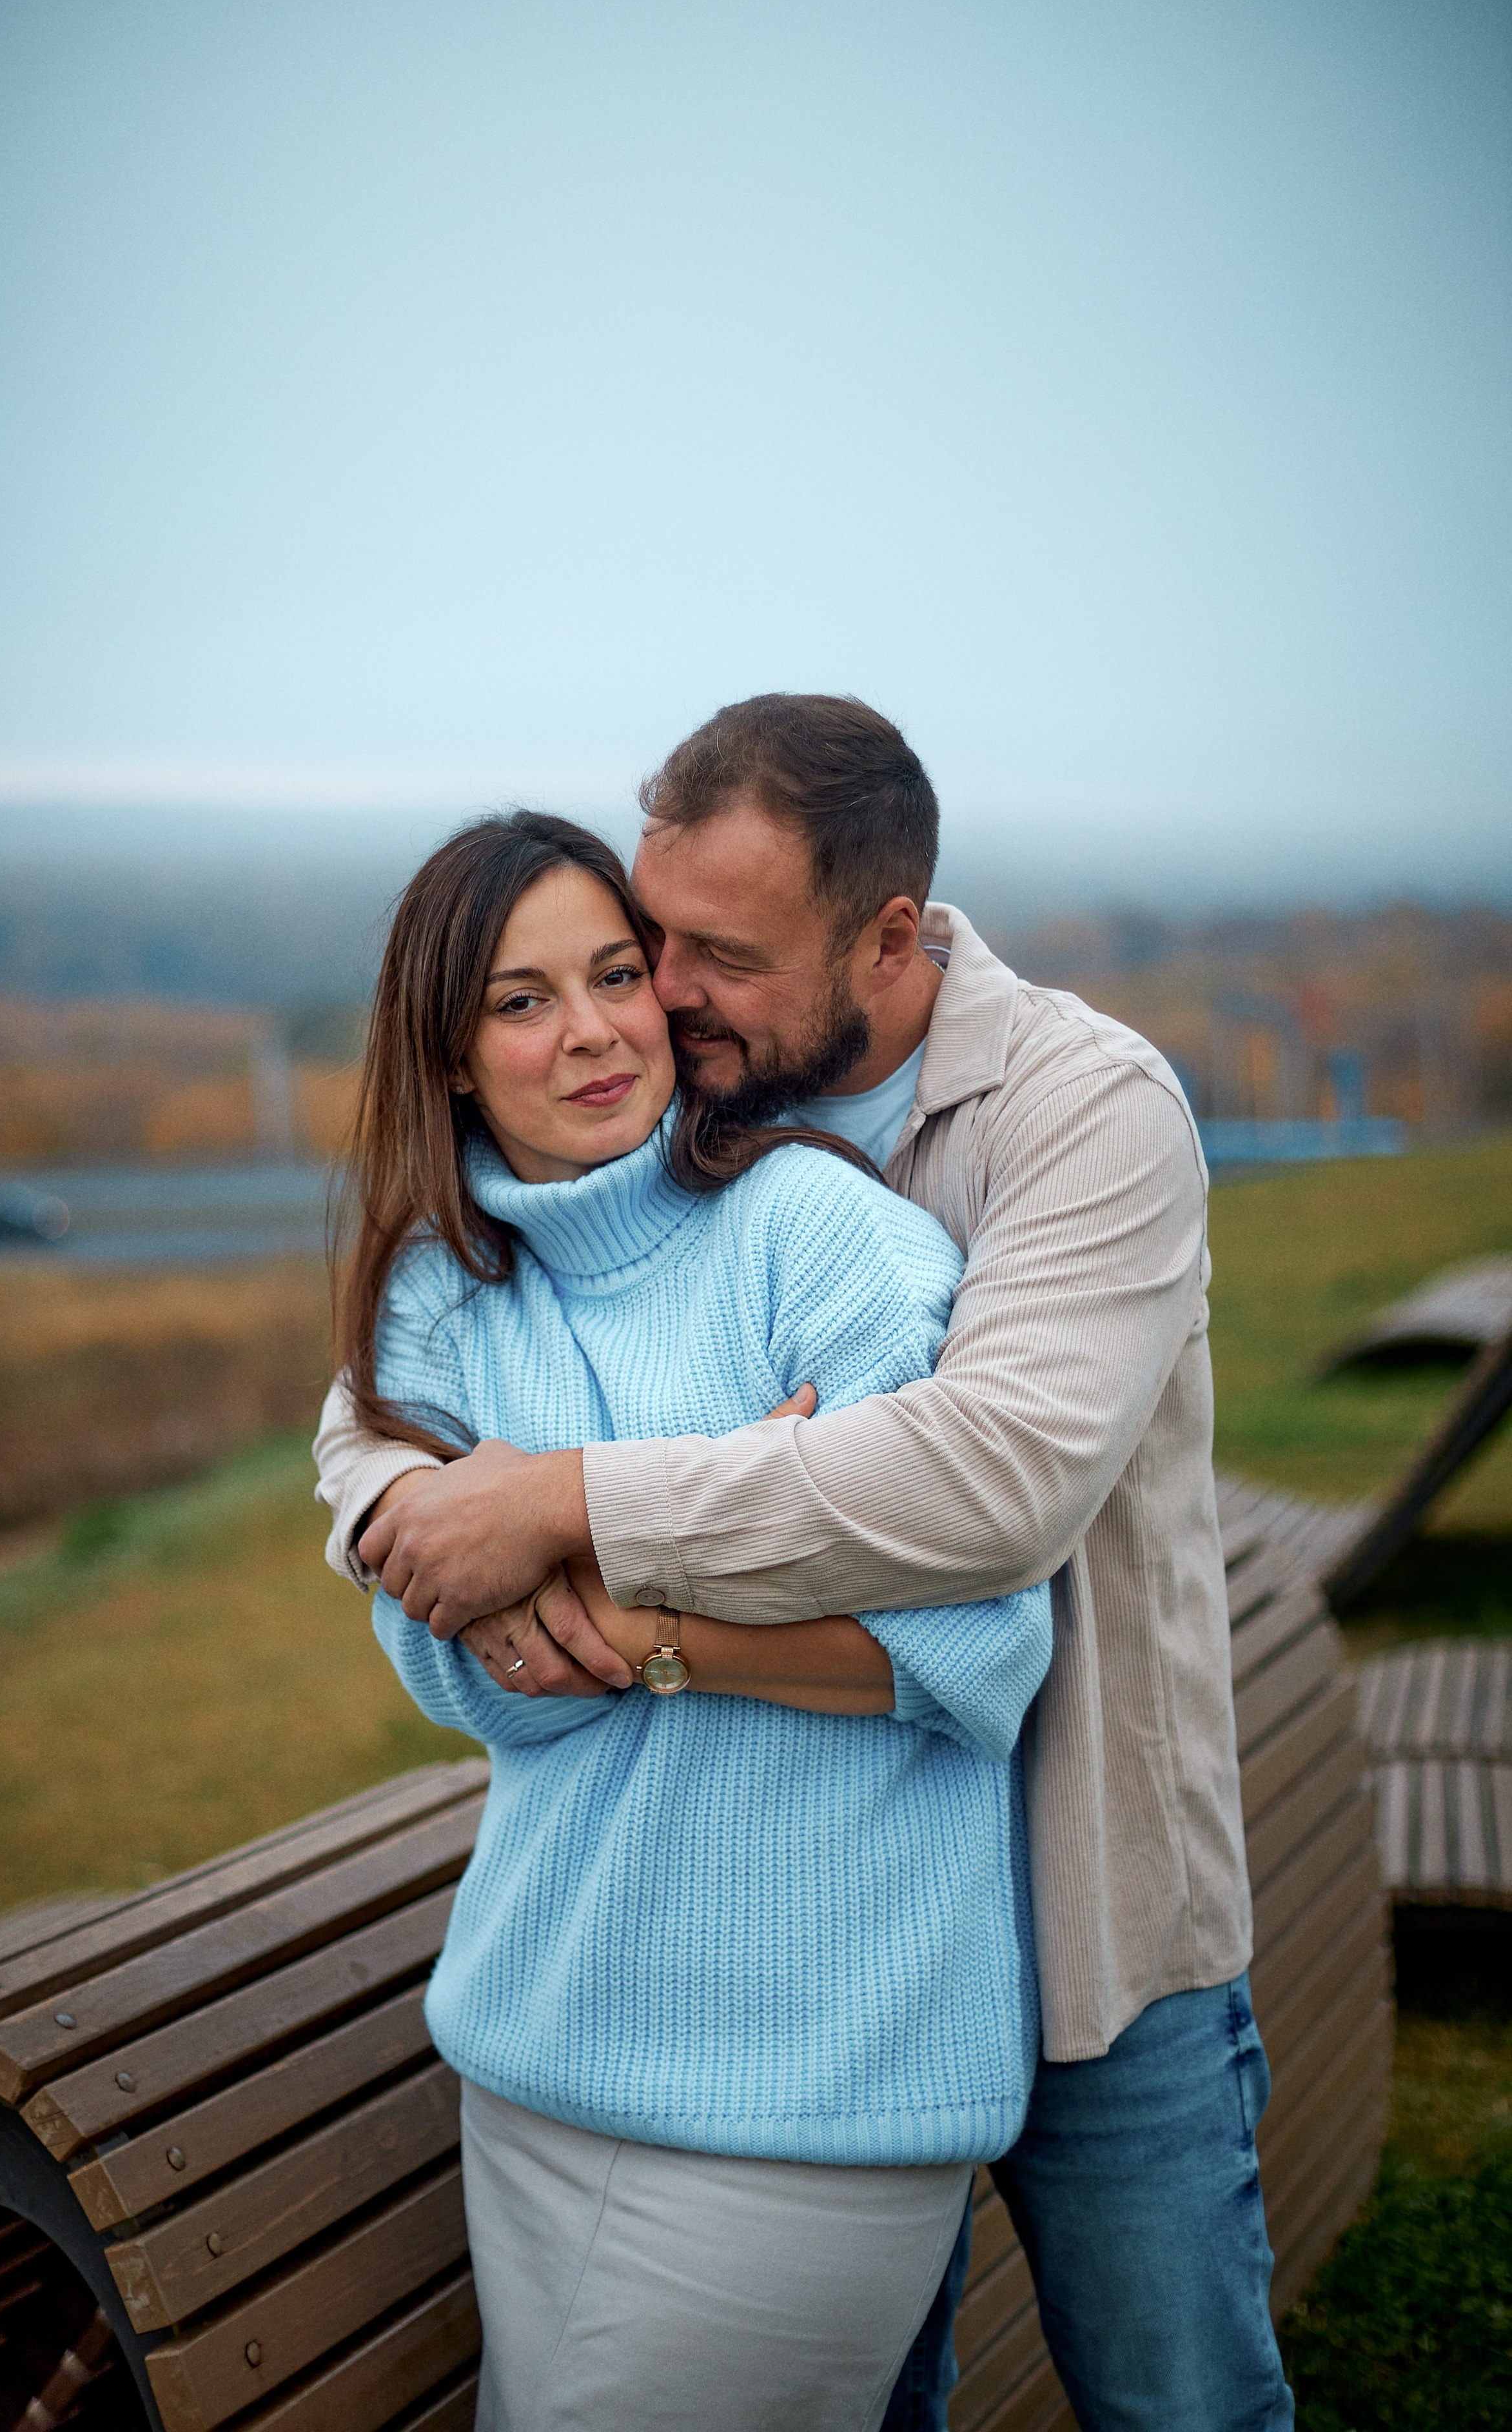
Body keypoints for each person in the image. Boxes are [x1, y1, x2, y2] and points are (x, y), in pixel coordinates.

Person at [316, 695, 1295, 2432]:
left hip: (1083, 1918)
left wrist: (567, 1511)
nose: (662, 1000)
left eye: (706, 958)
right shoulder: (694, 1115)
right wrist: (386, 1481)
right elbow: (422, 1485)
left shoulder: (1081, 1113)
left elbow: (984, 1489)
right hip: (758, 1956)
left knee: (1179, 2404)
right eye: (647, 941)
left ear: (891, 938)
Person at [336, 807, 1052, 2432]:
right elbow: (473, 1682)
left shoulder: (823, 1237)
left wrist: (596, 1559)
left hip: (812, 2087)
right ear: (448, 1055)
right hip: (530, 2046)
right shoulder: (442, 1292)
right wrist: (746, 1494)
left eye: (612, 974)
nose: (588, 1030)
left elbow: (976, 1647)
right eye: (519, 1001)